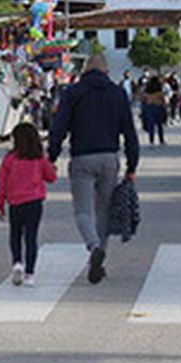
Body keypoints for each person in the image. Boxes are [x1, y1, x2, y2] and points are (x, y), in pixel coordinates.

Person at [48, 54, 140, 284]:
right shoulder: (118, 94)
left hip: (82, 159)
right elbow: (129, 131)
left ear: (84, 72)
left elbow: (59, 127)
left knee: (82, 211)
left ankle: (93, 245)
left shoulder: (73, 93)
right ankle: (98, 260)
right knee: (104, 211)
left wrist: (51, 155)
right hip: (109, 158)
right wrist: (132, 165)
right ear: (107, 72)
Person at [0, 122, 57, 288]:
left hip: (15, 202)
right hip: (35, 202)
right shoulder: (39, 158)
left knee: (15, 234)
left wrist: (1, 204)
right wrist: (52, 167)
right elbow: (51, 177)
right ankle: (30, 273)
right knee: (31, 236)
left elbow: (2, 183)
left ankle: (17, 262)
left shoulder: (9, 160)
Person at [139, 75, 168, 145]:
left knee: (151, 125)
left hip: (149, 107)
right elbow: (163, 100)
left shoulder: (147, 91)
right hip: (158, 107)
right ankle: (161, 140)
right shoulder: (159, 91)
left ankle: (151, 140)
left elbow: (142, 99)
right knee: (159, 125)